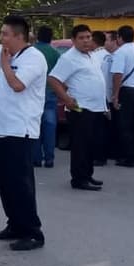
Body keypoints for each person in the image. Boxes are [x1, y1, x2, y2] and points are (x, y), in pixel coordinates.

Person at [0, 15, 47, 251]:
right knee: (5, 182)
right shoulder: (7, 57)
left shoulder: (34, 58)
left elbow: (18, 85)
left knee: (21, 183)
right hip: (3, 127)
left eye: (5, 34)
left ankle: (32, 232)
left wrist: (4, 65)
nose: (1, 38)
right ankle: (14, 223)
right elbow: (0, 90)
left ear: (19, 36)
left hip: (20, 129)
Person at [48, 25, 108, 191]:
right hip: (80, 109)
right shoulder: (69, 58)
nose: (86, 41)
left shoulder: (92, 56)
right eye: (81, 38)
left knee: (91, 144)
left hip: (95, 108)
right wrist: (66, 99)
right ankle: (79, 179)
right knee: (81, 145)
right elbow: (53, 79)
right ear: (74, 40)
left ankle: (87, 175)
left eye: (88, 37)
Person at [110, 25, 134, 167]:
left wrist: (115, 95)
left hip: (127, 91)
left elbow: (118, 75)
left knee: (124, 125)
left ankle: (128, 157)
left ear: (120, 37)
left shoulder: (120, 52)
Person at [31, 25, 61, 169]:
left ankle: (36, 158)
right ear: (51, 37)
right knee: (50, 126)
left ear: (37, 36)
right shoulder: (55, 54)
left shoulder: (32, 51)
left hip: (34, 94)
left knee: (35, 126)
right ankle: (49, 158)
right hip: (50, 93)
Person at [91, 31, 117, 164]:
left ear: (94, 42)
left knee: (98, 129)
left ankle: (99, 157)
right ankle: (108, 153)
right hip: (109, 95)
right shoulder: (110, 56)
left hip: (99, 97)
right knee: (107, 128)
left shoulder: (94, 57)